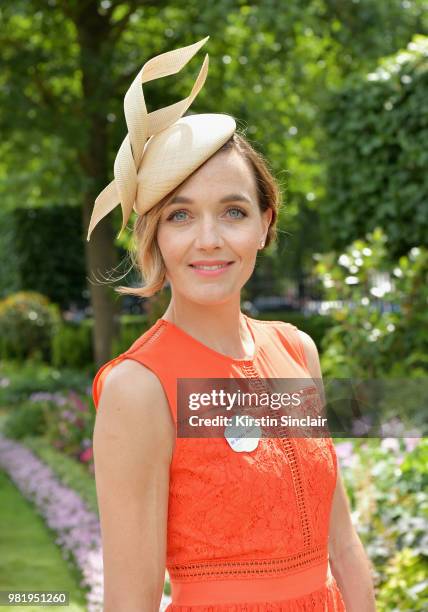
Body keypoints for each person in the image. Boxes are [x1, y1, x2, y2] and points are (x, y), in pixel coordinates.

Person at [87, 38, 376, 612]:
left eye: (234, 212)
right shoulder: (138, 388)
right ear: (154, 235)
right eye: (180, 215)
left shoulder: (298, 351)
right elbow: (130, 599)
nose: (209, 239)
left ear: (265, 224)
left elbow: (342, 544)